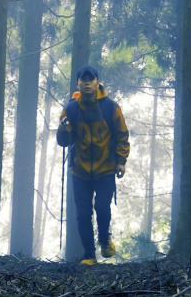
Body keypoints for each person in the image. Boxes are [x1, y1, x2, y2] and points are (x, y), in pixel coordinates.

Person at [57, 65, 130, 265]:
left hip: (106, 168)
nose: (87, 82)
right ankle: (89, 255)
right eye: (83, 79)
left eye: (91, 79)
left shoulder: (110, 107)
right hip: (80, 171)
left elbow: (122, 134)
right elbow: (64, 142)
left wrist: (121, 161)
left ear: (97, 83)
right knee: (82, 214)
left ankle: (105, 239)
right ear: (78, 84)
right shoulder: (70, 109)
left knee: (102, 207)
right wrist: (63, 129)